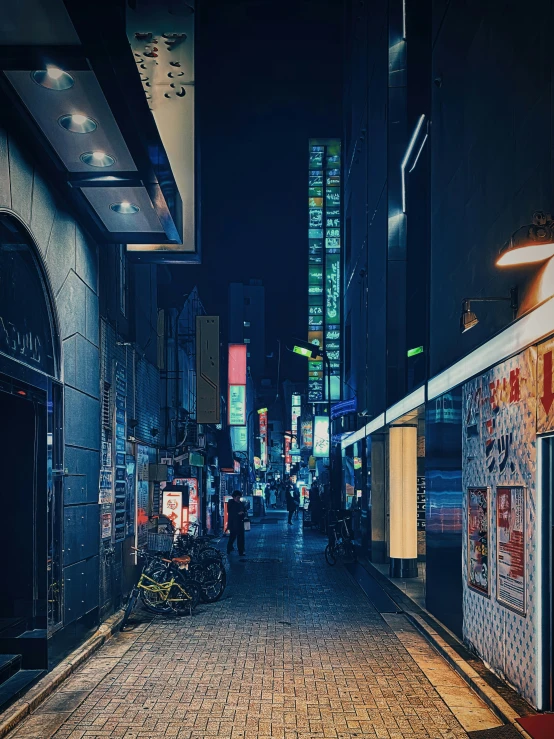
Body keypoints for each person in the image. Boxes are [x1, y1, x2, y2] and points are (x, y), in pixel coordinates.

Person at [226, 490, 247, 555]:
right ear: (234, 497)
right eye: (238, 497)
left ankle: (240, 551)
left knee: (240, 537)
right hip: (233, 523)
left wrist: (244, 513)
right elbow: (231, 514)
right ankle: (229, 548)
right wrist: (238, 513)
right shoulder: (231, 504)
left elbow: (244, 510)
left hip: (240, 523)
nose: (239, 499)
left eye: (239, 497)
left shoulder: (240, 503)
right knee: (233, 537)